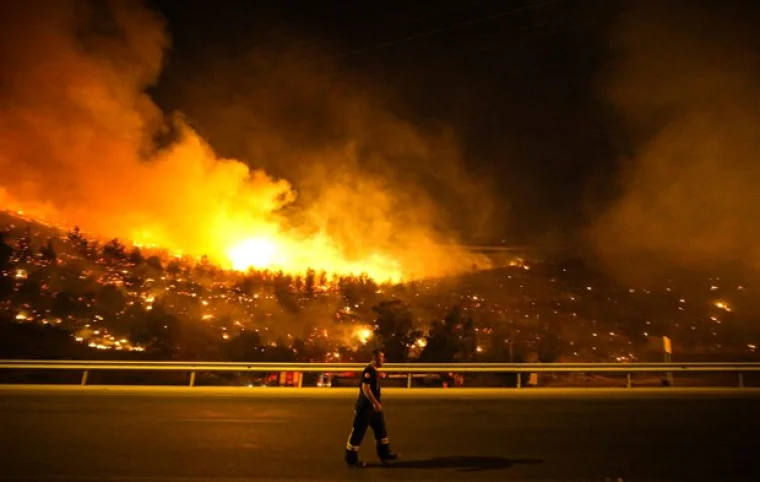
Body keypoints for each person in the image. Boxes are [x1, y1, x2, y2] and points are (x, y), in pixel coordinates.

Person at [344, 349, 399, 468]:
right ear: (374, 358)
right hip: (365, 408)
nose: (383, 360)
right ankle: (351, 459)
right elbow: (365, 388)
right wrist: (375, 403)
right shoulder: (368, 371)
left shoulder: (374, 371)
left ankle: (385, 454)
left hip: (373, 408)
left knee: (381, 430)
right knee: (358, 432)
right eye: (381, 357)